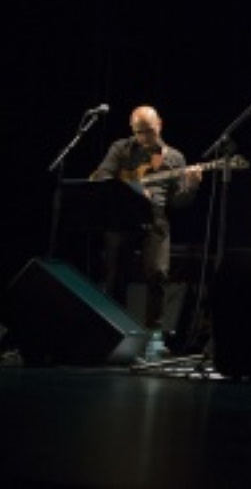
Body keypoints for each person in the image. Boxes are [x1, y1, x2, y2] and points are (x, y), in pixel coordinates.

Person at [91, 106, 201, 357]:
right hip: (124, 218)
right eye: (139, 132)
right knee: (114, 274)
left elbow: (177, 203)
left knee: (158, 273)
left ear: (159, 125)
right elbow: (102, 177)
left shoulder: (174, 158)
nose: (144, 138)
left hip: (155, 219)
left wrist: (192, 187)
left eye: (149, 132)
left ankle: (154, 334)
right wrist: (132, 192)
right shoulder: (121, 148)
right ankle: (115, 329)